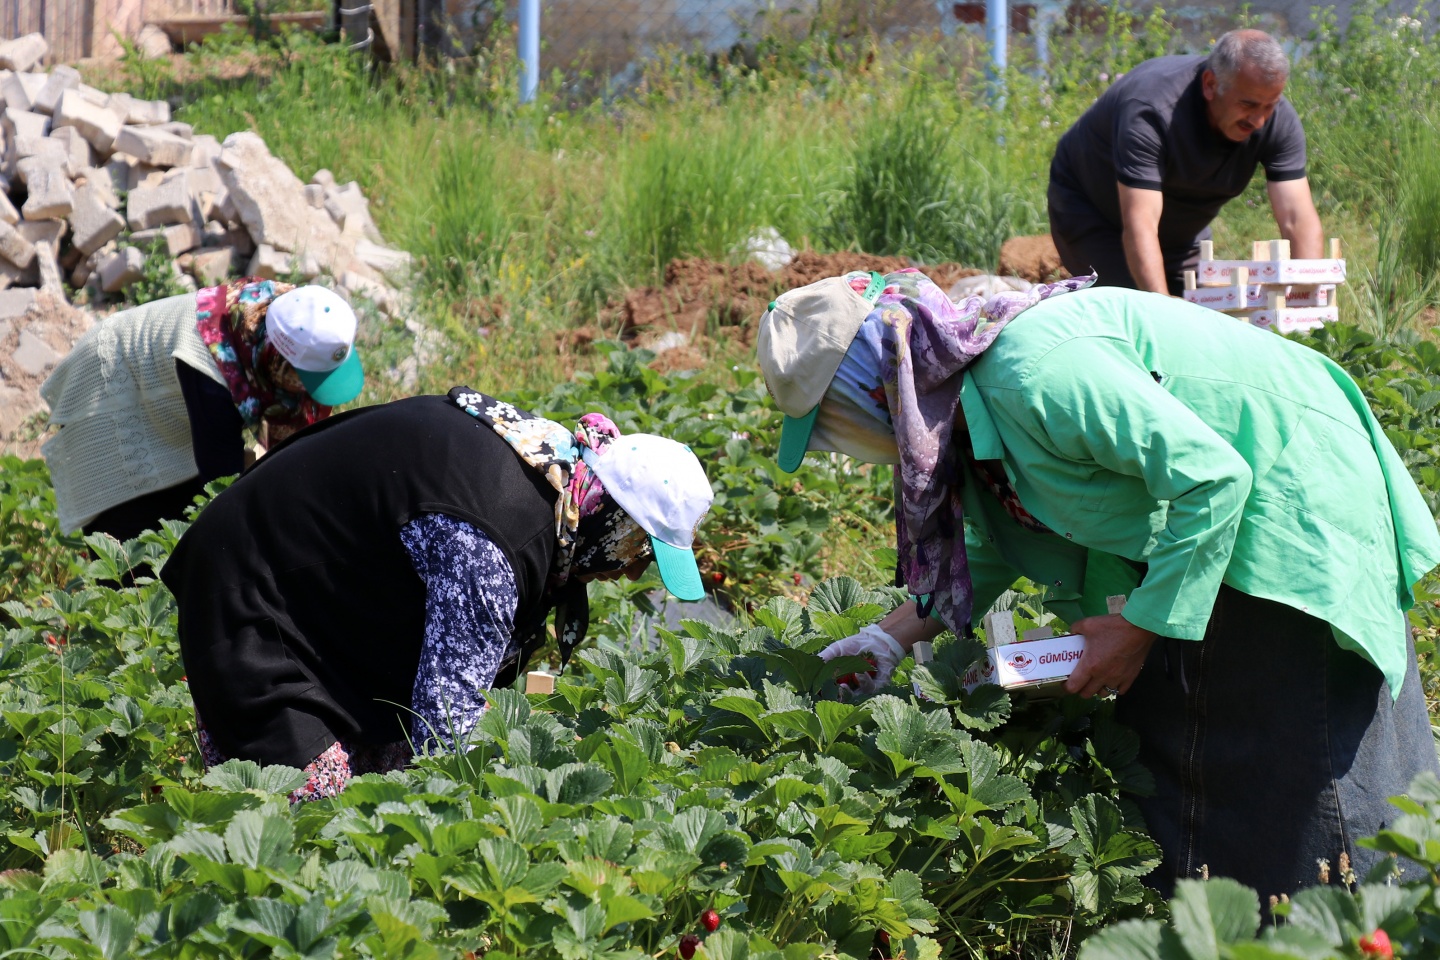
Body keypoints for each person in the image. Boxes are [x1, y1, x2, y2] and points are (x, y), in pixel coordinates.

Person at [755, 268, 1440, 900]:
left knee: (1308, 768)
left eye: (836, 430)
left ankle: (1385, 924)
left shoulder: (1034, 373)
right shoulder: (967, 399)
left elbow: (1216, 478)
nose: (851, 449)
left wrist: (1139, 629)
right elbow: (989, 546)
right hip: (1199, 538)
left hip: (1293, 502)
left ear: (872, 394)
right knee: (1182, 748)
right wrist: (889, 636)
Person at [160, 387, 715, 801]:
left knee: (383, 770)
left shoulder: (548, 461)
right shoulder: (495, 541)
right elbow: (446, 725)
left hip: (322, 594)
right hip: (252, 594)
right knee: (318, 819)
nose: (628, 573)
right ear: (608, 517)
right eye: (636, 551)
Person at [40, 280, 363, 541]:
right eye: (306, 377)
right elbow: (223, 487)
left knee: (189, 515)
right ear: (277, 357)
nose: (309, 391)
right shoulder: (214, 375)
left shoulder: (293, 311)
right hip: (109, 384)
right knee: (135, 534)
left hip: (174, 387)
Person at [1047, 29, 1324, 295]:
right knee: (1132, 307)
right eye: (1248, 105)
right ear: (1210, 85)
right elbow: (1140, 223)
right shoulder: (1152, 110)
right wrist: (1163, 308)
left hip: (1181, 234)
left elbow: (1296, 217)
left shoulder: (1279, 121)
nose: (1259, 120)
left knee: (1206, 312)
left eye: (1270, 105)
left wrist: (1304, 301)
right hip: (1094, 214)